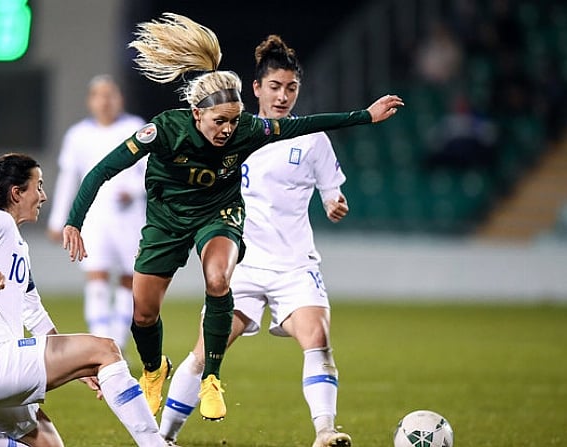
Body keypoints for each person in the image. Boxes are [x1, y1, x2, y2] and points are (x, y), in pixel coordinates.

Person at [61, 13, 403, 423]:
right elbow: (101, 171)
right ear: (195, 114)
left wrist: (364, 116)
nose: (227, 130)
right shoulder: (164, 130)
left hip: (218, 216)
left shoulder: (248, 130)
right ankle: (154, 369)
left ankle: (212, 379)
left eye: (233, 120)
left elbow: (308, 125)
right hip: (167, 221)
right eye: (218, 121)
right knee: (144, 313)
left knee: (220, 279)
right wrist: (73, 221)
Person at [158, 35, 353, 447]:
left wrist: (335, 202)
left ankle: (325, 432)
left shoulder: (311, 139)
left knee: (318, 339)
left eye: (292, 88)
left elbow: (331, 190)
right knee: (204, 352)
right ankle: (162, 438)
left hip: (295, 265)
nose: (283, 96)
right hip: (239, 265)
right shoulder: (232, 134)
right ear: (257, 88)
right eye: (276, 87)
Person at [0, 153, 166, 447]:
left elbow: (34, 314)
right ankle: (156, 444)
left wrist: (78, 367)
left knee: (50, 445)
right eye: (39, 186)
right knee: (106, 348)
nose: (43, 196)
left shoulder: (17, 245)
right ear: (16, 193)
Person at [47, 74, 146, 351]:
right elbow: (69, 178)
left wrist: (134, 190)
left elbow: (151, 173)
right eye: (99, 95)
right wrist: (59, 219)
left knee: (130, 279)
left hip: (129, 218)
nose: (105, 101)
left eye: (110, 94)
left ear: (120, 99)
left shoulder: (135, 128)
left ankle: (119, 341)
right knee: (96, 276)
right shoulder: (78, 135)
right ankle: (102, 343)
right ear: (90, 101)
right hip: (94, 217)